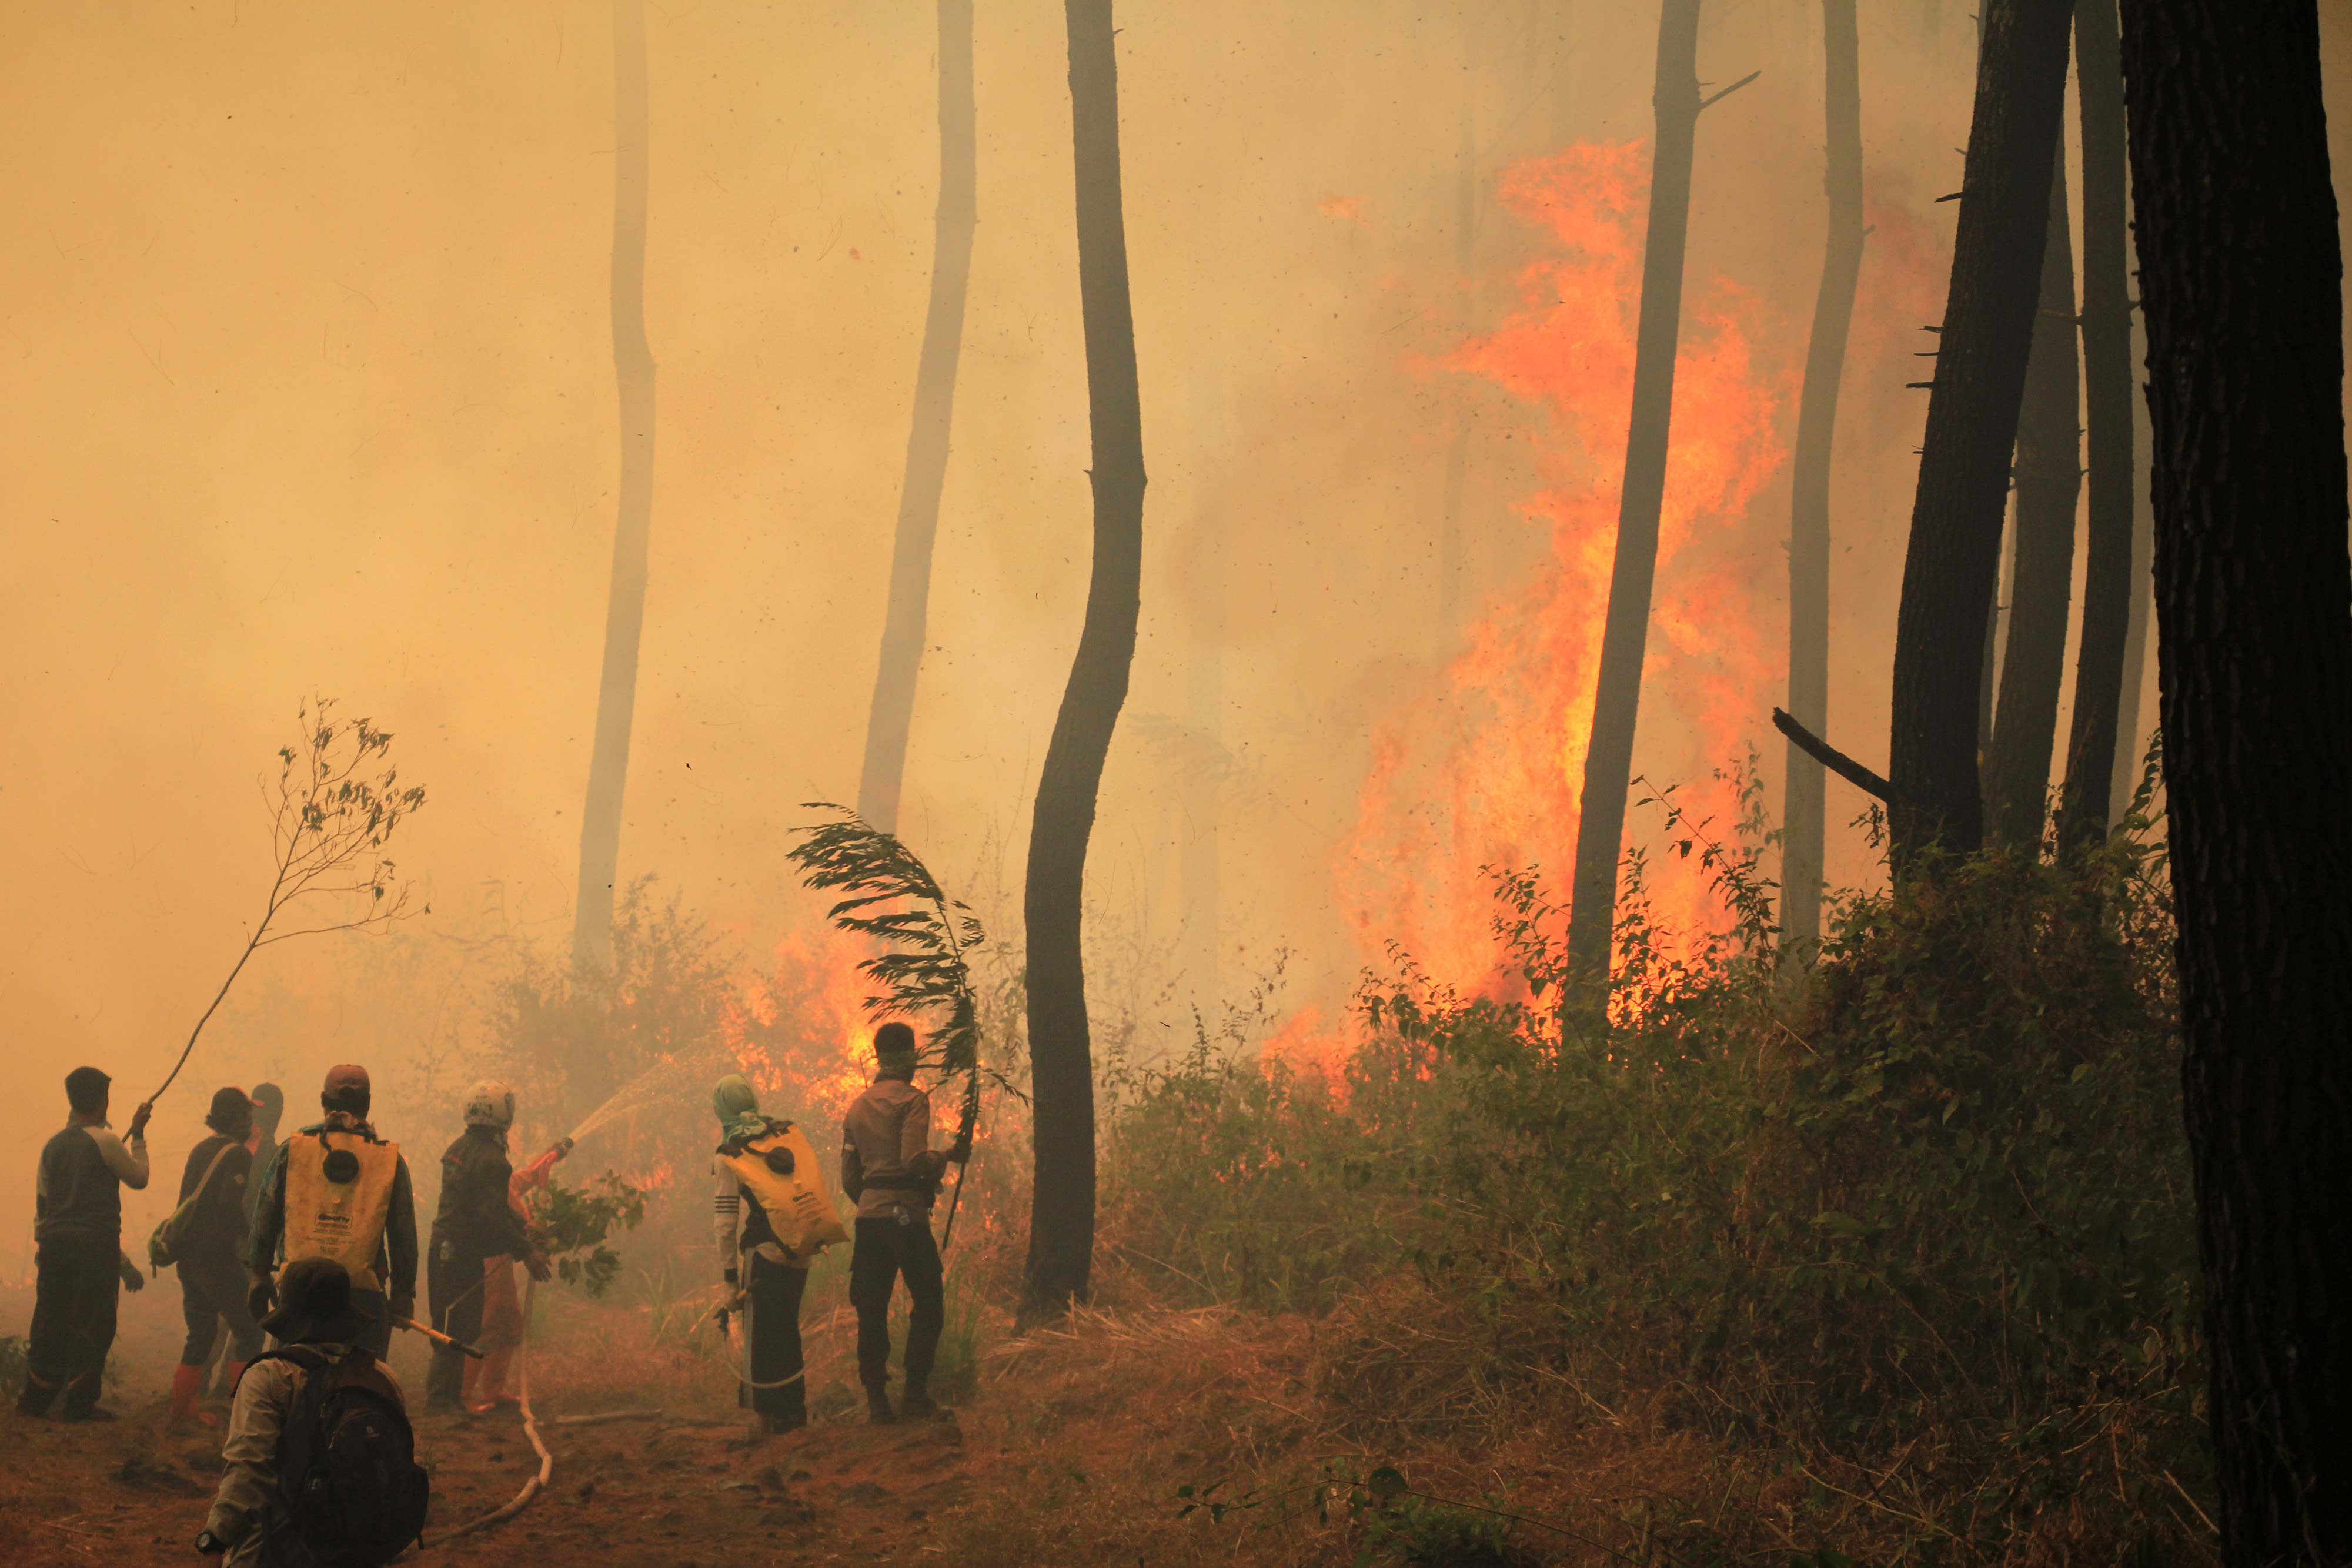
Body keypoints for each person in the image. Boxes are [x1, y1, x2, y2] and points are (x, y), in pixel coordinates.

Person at [194, 1256, 425, 1565]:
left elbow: (248, 1470)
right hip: (361, 1551)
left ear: (290, 1317)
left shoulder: (270, 1377)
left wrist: (215, 1538)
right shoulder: (381, 1376)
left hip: (282, 1551)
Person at [840, 1024, 968, 1423]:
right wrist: (948, 1155)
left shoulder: (857, 1106)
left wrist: (873, 1202)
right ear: (910, 1056)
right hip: (908, 1219)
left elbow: (849, 1178)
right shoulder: (914, 1100)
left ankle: (878, 1402)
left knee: (871, 1309)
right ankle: (914, 1397)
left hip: (870, 1220)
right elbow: (914, 1160)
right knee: (928, 1304)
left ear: (879, 1057)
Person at [247, 1065, 417, 1363]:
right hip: (363, 1300)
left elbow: (265, 1215)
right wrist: (403, 1293)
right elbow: (404, 1235)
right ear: (368, 1104)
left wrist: (260, 1275)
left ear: (323, 1101)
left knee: (291, 1376)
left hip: (299, 1291)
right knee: (362, 1381)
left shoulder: (292, 1150)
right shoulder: (389, 1160)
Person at [18, 1066, 151, 1420]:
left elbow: (43, 1205)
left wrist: (43, 1248)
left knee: (51, 1321)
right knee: (94, 1322)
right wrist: (138, 1134)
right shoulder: (106, 1141)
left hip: (54, 1246)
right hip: (95, 1248)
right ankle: (78, 1405)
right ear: (102, 1100)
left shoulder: (52, 1146)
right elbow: (139, 1178)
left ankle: (36, 1400)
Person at [712, 1074, 834, 1434]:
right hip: (802, 1248)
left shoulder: (729, 1153)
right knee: (786, 1330)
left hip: (765, 1253)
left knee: (761, 1339)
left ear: (721, 1109)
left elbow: (725, 1224)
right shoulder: (782, 1134)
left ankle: (766, 1421)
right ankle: (793, 1414)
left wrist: (730, 1281)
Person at [423, 1081, 549, 1415]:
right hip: (461, 1253)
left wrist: (520, 1233)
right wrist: (527, 1251)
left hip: (443, 1247)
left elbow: (483, 1207)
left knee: (450, 1325)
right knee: (461, 1328)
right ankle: (442, 1403)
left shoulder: (459, 1147)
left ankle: (447, 1401)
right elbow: (492, 1216)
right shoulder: (494, 1160)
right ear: (505, 1114)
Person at [171, 1087, 266, 1432]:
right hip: (217, 1258)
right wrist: (253, 1239)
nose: (252, 1121)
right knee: (250, 1332)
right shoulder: (238, 1155)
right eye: (248, 1113)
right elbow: (229, 1207)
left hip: (188, 1256)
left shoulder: (200, 1149)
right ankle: (240, 1416)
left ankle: (181, 1414)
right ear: (237, 1118)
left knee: (201, 1334)